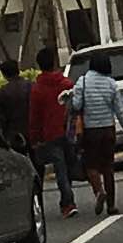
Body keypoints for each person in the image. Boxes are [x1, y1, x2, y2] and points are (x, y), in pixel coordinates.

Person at [70, 52, 123, 216]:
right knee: (108, 167)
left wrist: (71, 98)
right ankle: (111, 205)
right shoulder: (111, 83)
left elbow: (76, 105)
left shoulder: (82, 82)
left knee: (91, 166)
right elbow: (119, 110)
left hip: (90, 130)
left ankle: (99, 191)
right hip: (108, 129)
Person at [23, 45, 77, 216]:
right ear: (54, 62)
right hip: (68, 130)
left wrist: (34, 138)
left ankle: (68, 202)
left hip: (50, 134)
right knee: (68, 166)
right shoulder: (67, 84)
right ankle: (68, 200)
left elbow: (35, 116)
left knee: (60, 168)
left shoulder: (37, 89)